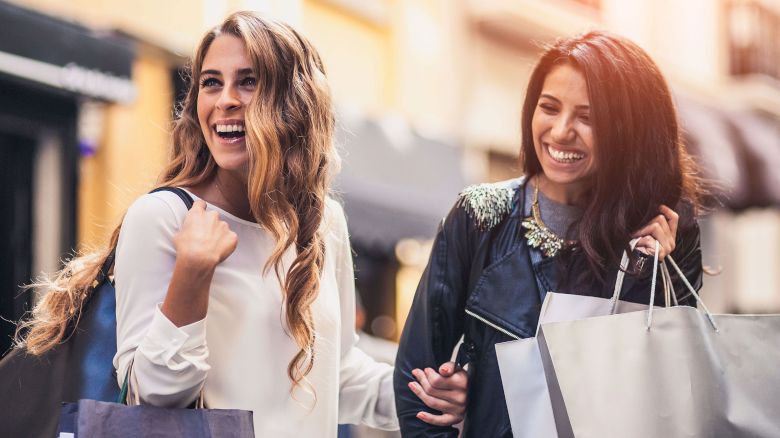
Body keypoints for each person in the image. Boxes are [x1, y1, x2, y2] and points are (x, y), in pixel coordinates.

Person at [17, 12, 467, 437]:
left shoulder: (323, 222)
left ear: (294, 103)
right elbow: (150, 396)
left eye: (248, 82)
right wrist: (192, 275)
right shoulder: (165, 218)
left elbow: (339, 374)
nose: (225, 99)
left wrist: (426, 395)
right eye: (211, 83)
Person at [393, 31, 705, 437]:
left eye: (588, 118)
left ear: (630, 129)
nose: (560, 132)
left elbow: (670, 389)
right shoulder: (479, 217)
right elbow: (417, 385)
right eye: (549, 108)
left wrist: (647, 275)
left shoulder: (668, 231)